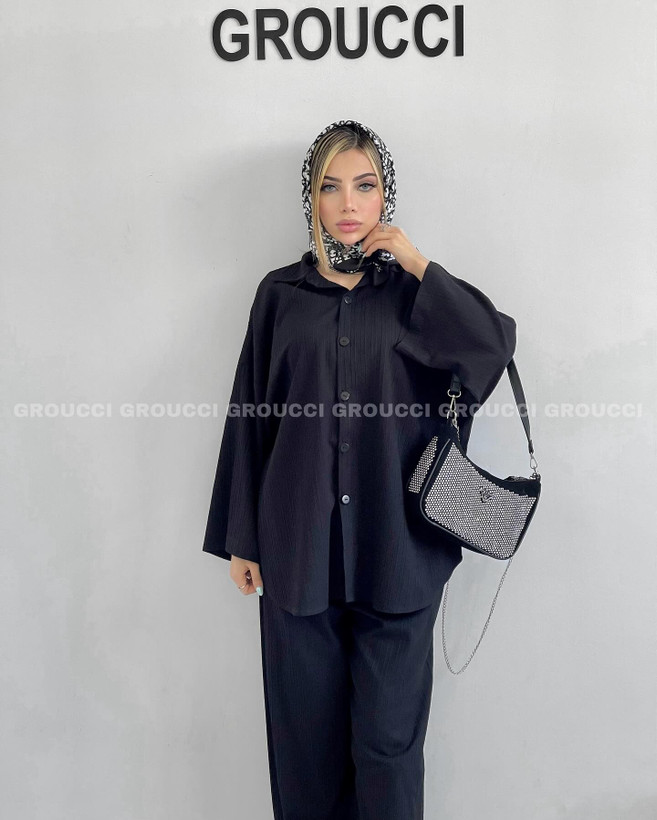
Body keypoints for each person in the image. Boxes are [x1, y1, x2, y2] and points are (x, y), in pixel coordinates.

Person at [202, 119, 517, 819]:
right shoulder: (279, 296)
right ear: (310, 199)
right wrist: (243, 538)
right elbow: (251, 413)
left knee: (388, 751)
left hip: (397, 552)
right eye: (331, 186)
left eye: (365, 186)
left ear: (385, 196)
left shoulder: (415, 296)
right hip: (296, 554)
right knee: (305, 753)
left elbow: (491, 351)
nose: (348, 203)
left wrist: (416, 262)